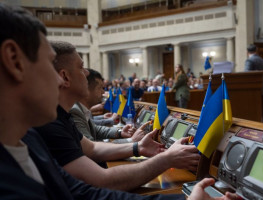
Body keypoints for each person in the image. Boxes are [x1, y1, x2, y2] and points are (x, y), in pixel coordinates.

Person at [0, 3, 188, 199]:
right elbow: (97, 183)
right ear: (14, 61)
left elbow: (82, 192)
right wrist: (165, 159)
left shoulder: (30, 138)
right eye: (48, 63)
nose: (58, 81)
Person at [35, 41, 201, 192]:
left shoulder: (60, 115)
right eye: (81, 67)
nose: (86, 72)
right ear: (65, 77)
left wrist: (137, 147)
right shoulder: (49, 123)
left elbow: (92, 148)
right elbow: (103, 181)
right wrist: (166, 159)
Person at [70, 68, 145, 142]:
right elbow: (92, 148)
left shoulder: (81, 109)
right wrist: (131, 140)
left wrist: (120, 132)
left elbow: (95, 129)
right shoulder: (75, 111)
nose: (103, 92)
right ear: (86, 90)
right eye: (100, 88)